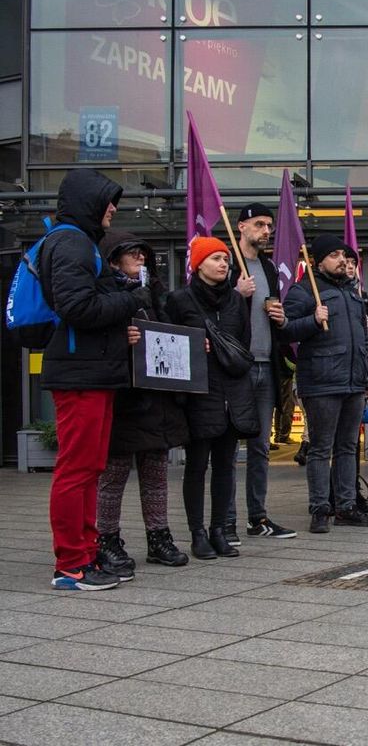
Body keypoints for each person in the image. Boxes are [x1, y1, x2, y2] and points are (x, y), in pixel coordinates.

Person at [40, 170, 148, 590]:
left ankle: (84, 556)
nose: (112, 209)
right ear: (88, 201)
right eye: (107, 201)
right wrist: (129, 299)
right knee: (77, 469)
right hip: (80, 372)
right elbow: (77, 307)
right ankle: (70, 565)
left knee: (89, 467)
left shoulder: (78, 242)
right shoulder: (70, 241)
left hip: (91, 371)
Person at [94, 232, 191, 575]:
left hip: (157, 397)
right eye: (132, 253)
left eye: (143, 254)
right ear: (113, 259)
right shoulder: (105, 292)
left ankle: (159, 538)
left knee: (155, 472)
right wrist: (122, 338)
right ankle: (106, 540)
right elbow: (94, 336)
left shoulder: (156, 293)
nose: (140, 258)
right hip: (123, 396)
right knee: (114, 473)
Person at [166, 238, 259, 559]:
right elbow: (169, 344)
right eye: (216, 258)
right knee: (196, 466)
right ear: (199, 263)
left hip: (232, 394)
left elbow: (243, 341)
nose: (223, 264)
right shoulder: (179, 300)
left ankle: (220, 530)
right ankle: (198, 533)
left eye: (225, 259)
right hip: (199, 393)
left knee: (225, 466)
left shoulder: (235, 300)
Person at [283, 234, 368, 533]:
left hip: (353, 382)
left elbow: (363, 341)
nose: (342, 260)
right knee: (321, 448)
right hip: (322, 382)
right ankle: (320, 509)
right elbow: (285, 332)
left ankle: (347, 506)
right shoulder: (303, 291)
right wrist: (312, 320)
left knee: (348, 448)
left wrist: (367, 381)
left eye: (345, 255)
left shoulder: (354, 293)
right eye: (335, 255)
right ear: (319, 260)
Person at [225, 203, 295, 544]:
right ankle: (225, 520)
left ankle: (258, 516)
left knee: (260, 447)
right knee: (226, 446)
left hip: (266, 365)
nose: (266, 231)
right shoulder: (226, 264)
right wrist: (235, 295)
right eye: (258, 224)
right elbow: (208, 308)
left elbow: (270, 310)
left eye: (269, 225)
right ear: (241, 227)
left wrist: (279, 317)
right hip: (235, 366)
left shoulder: (268, 268)